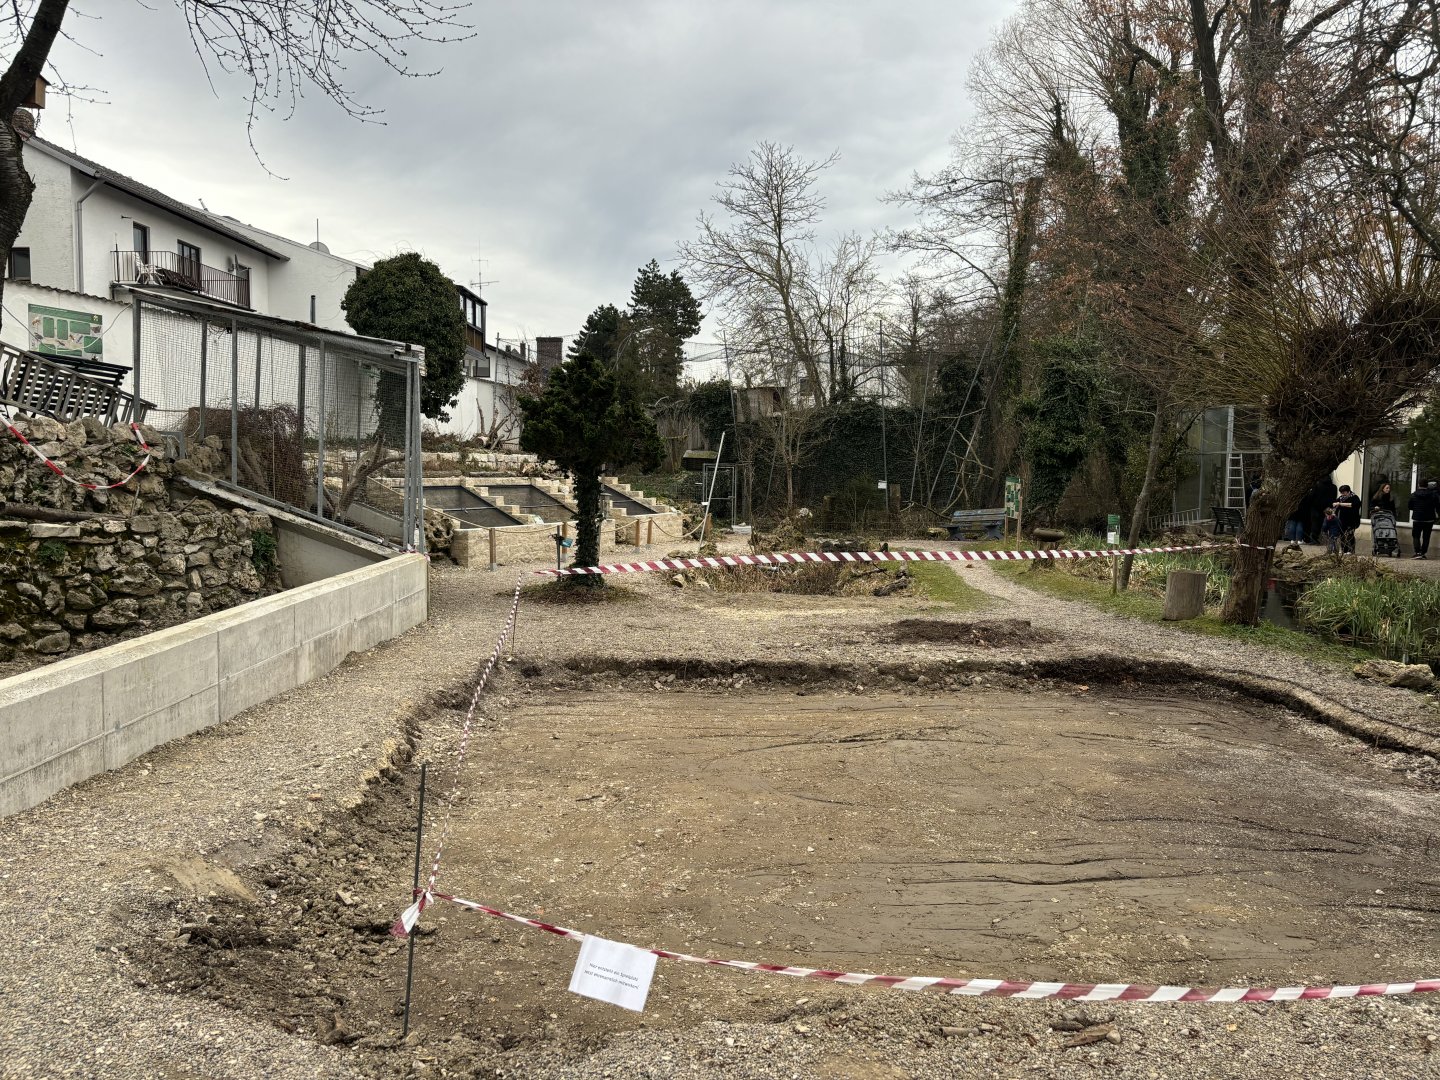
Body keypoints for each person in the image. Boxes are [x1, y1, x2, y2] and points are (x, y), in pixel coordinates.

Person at [1411, 479, 1438, 560]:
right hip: (1429, 519)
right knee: (1426, 537)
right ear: (1427, 485)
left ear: (1419, 485)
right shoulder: (1433, 495)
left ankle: (1417, 552)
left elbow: (1410, 506)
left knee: (1416, 536)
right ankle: (1423, 553)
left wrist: (1416, 509)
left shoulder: (1414, 495)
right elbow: (1437, 505)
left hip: (1417, 519)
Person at [1333, 484, 1362, 554]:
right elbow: (1334, 503)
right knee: (1342, 535)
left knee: (1350, 534)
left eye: (1343, 492)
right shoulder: (1341, 498)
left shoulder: (1354, 497)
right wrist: (1335, 505)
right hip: (1342, 519)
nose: (1342, 494)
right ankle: (1344, 550)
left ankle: (1351, 550)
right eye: (1341, 493)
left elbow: (1353, 505)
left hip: (1352, 519)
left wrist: (1340, 504)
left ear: (1348, 491)